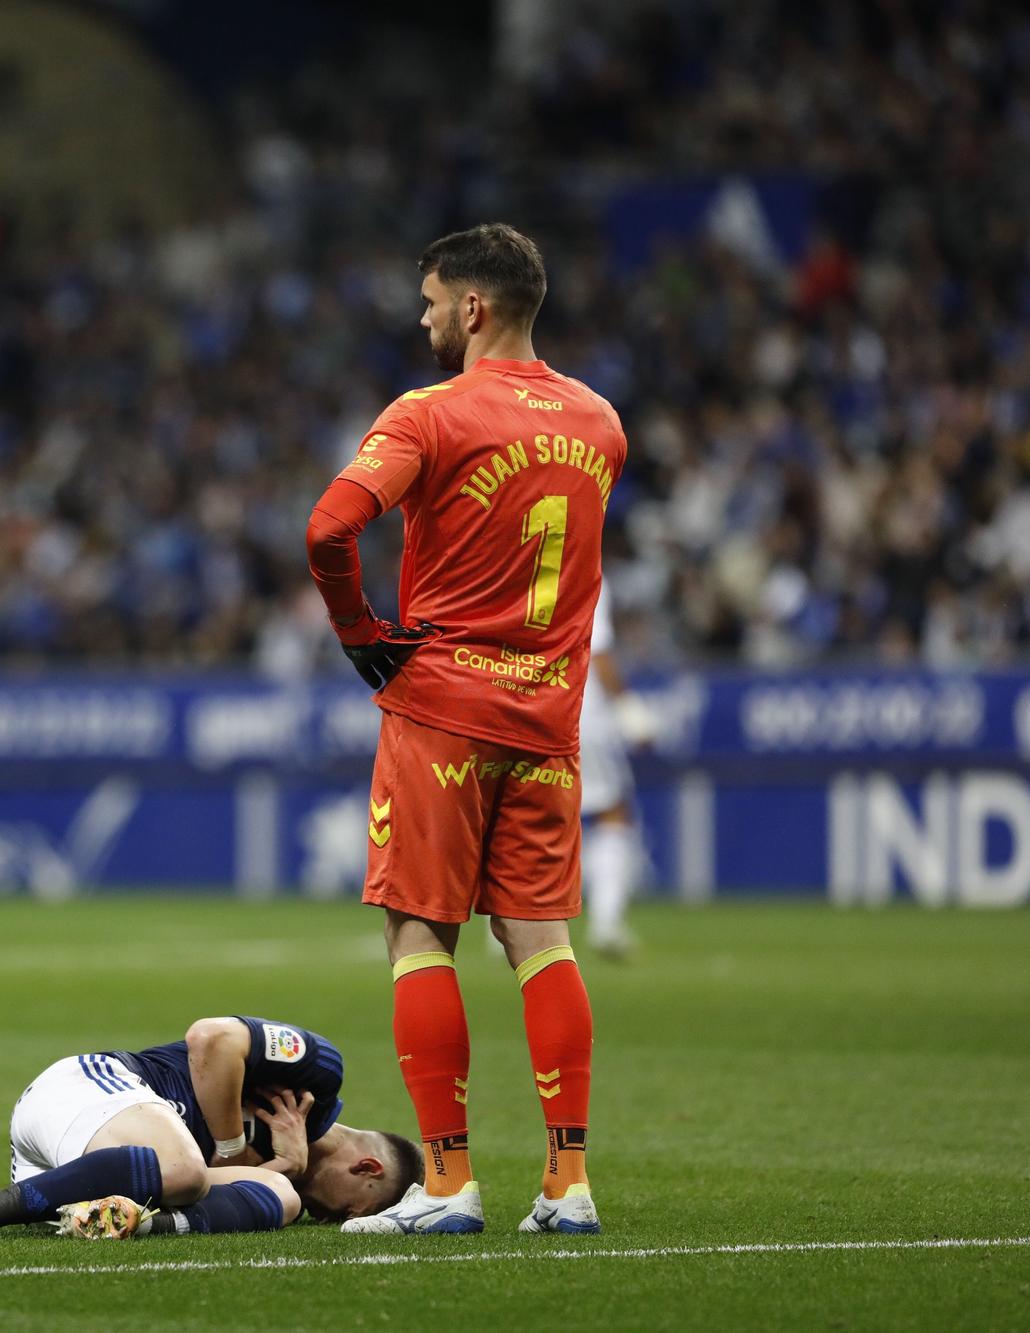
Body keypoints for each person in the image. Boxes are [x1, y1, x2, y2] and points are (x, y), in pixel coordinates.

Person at [304, 223, 627, 1237]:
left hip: (440, 706)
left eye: (433, 299)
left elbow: (326, 527)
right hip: (546, 716)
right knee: (539, 941)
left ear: (473, 309)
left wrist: (361, 633)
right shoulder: (600, 421)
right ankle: (566, 1186)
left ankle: (445, 1186)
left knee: (417, 937)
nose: (423, 316)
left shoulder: (428, 414)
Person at [0, 1016, 420, 1240]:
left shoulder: (289, 1174)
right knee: (186, 1171)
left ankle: (132, 1222)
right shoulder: (319, 1073)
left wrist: (278, 1165)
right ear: (367, 1167)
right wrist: (234, 1148)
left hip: (74, 1170)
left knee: (280, 1196)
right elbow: (211, 1038)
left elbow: (255, 1179)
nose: (329, 1220)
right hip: (84, 1087)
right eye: (352, 1209)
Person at [576, 592, 655, 957]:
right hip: (579, 709)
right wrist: (627, 709)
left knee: (518, 816)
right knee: (612, 812)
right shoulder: (580, 555)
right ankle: (606, 923)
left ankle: (504, 931)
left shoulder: (507, 553)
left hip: (516, 701)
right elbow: (599, 648)